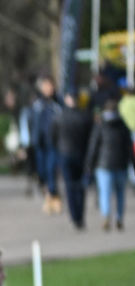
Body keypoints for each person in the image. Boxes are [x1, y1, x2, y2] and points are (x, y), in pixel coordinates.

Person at [50, 92, 94, 230]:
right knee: (80, 186)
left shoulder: (58, 117)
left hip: (65, 154)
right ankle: (80, 215)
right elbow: (90, 138)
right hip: (80, 154)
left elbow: (53, 138)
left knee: (70, 186)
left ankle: (75, 216)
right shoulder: (85, 117)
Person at [85, 101, 130, 232]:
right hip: (121, 165)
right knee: (120, 193)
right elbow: (128, 148)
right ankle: (119, 217)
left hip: (103, 165)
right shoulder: (123, 126)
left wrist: (89, 163)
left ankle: (106, 215)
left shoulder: (100, 126)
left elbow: (93, 147)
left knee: (105, 193)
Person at [27, 77, 62, 212]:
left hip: (53, 143)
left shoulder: (58, 104)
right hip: (39, 143)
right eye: (46, 87)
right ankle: (50, 192)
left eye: (51, 86)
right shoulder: (37, 105)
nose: (49, 89)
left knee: (51, 169)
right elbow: (31, 123)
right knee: (41, 171)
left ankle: (51, 196)